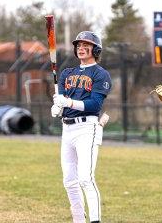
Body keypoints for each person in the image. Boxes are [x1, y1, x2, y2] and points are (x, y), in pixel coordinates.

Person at [51, 31, 112, 223]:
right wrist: (57, 106)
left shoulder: (100, 74)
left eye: (86, 45)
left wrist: (68, 103)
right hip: (67, 129)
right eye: (78, 45)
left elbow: (94, 105)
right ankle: (78, 219)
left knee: (86, 178)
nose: (81, 48)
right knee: (69, 180)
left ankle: (95, 220)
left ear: (96, 49)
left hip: (87, 128)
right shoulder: (67, 73)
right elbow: (61, 100)